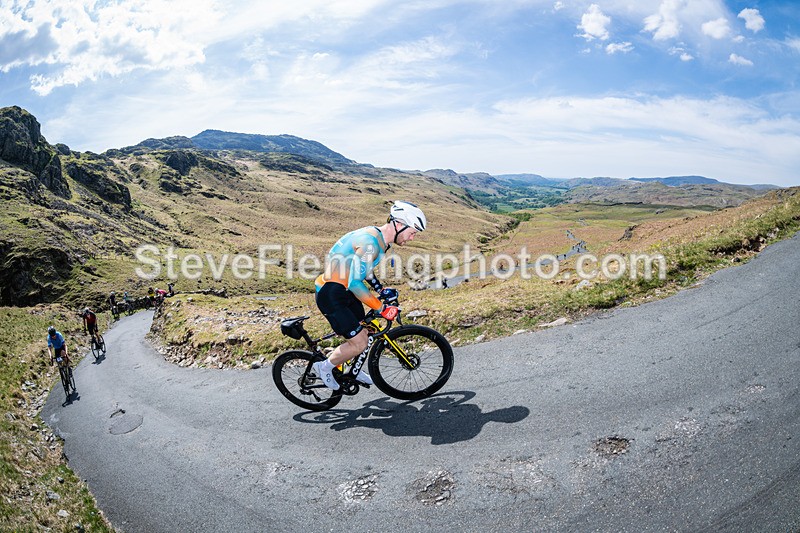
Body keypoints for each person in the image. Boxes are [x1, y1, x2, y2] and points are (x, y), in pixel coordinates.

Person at [312, 201, 427, 390]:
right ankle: (323, 368)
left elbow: (362, 270)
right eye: (412, 232)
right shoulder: (371, 244)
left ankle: (348, 369)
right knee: (358, 343)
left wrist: (380, 290)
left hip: (344, 291)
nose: (412, 238)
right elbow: (355, 283)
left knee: (365, 331)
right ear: (399, 224)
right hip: (332, 294)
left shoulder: (379, 239)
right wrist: (382, 309)